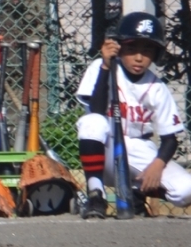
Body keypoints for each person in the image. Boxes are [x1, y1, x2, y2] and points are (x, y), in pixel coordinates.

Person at [76, 11, 186, 218]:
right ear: (119, 47)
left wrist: (157, 165)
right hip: (106, 147)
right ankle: (95, 194)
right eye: (131, 48)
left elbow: (170, 139)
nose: (138, 57)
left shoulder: (157, 88)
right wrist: (106, 67)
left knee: (185, 190)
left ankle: (137, 192)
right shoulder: (100, 68)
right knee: (92, 122)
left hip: (139, 151)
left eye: (147, 50)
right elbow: (97, 110)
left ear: (156, 54)